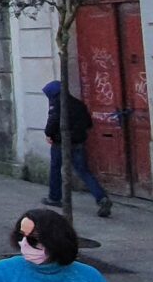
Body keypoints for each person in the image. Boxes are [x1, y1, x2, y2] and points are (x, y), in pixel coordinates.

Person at [43, 80, 114, 217]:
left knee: (56, 168)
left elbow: (52, 123)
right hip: (78, 143)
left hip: (61, 143)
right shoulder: (78, 104)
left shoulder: (57, 105)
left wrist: (49, 134)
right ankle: (101, 197)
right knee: (84, 171)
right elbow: (88, 123)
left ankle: (54, 197)